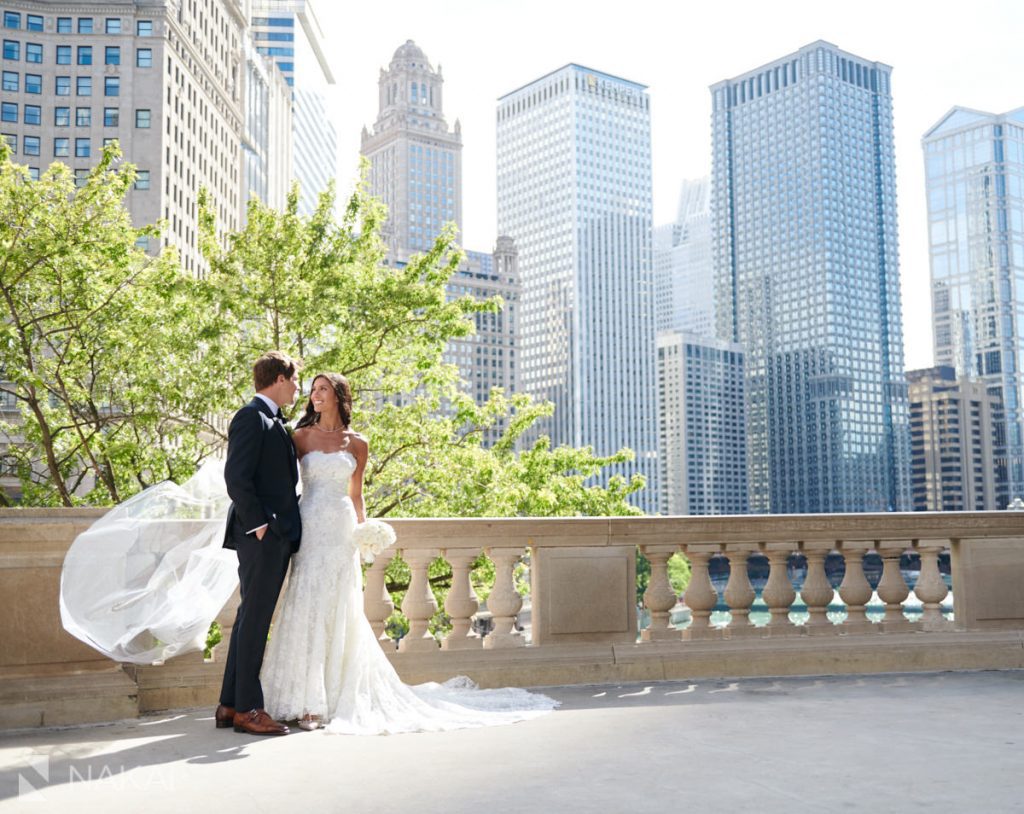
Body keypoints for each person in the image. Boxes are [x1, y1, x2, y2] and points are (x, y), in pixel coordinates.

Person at [259, 373, 556, 734]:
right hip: (309, 526)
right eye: (312, 390)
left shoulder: (358, 443)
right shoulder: (300, 437)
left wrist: (366, 532)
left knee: (339, 606)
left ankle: (326, 701)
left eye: (322, 389)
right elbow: (283, 484)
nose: (315, 395)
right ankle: (302, 697)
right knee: (307, 602)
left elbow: (356, 495)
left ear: (338, 396)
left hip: (340, 529)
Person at [216, 351, 302, 736]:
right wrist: (261, 526)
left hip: (271, 534)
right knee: (256, 619)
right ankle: (250, 709)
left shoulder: (272, 420)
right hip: (262, 536)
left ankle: (231, 704)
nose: (298, 389)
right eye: (295, 381)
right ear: (280, 379)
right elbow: (236, 478)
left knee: (249, 618)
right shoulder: (252, 416)